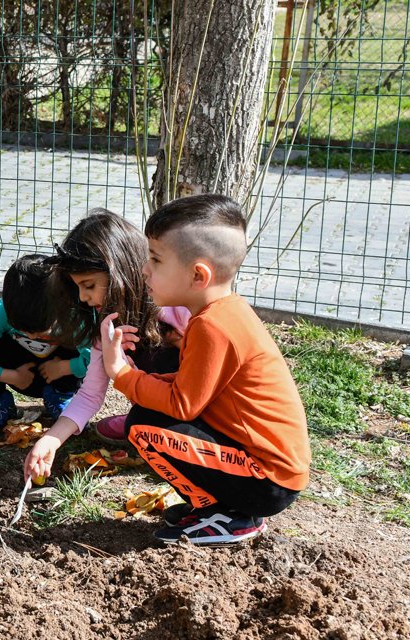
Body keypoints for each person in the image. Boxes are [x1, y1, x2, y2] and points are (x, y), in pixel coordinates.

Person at [99, 194, 310, 545]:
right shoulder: (221, 314)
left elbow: (183, 405)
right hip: (269, 471)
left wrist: (120, 372)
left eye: (155, 259)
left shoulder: (214, 327)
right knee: (150, 414)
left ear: (198, 274)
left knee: (143, 427)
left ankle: (226, 516)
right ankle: (223, 509)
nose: (145, 270)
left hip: (268, 480)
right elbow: (193, 387)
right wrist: (142, 379)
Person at [23, 211, 191, 485]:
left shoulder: (179, 313)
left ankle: (158, 429)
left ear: (120, 270)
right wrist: (51, 440)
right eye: (77, 288)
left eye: (88, 285)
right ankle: (147, 423)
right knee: (140, 421)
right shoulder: (108, 330)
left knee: (143, 421)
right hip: (160, 408)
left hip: (199, 411)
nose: (83, 297)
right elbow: (89, 395)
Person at [0, 254, 91, 443]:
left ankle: (60, 398)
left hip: (57, 373)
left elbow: (97, 359)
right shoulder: (0, 316)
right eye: (24, 330)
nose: (33, 337)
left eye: (42, 332)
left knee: (77, 342)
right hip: (16, 374)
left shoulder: (75, 317)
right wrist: (11, 376)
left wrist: (66, 367)